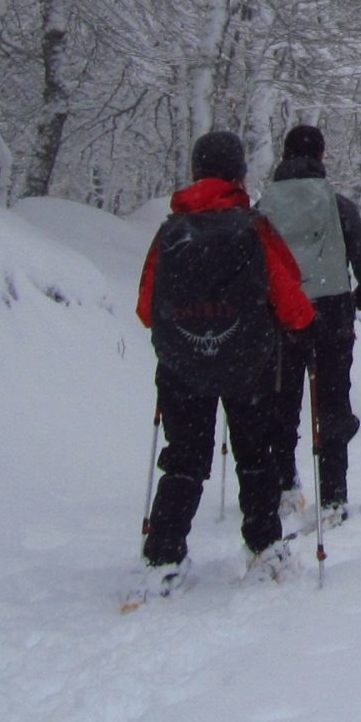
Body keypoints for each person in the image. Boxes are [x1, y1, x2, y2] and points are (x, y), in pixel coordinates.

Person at [133, 129, 315, 597]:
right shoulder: (253, 228)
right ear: (239, 173)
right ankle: (265, 551)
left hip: (182, 367)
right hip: (248, 364)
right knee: (256, 458)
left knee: (183, 460)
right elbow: (292, 301)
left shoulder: (170, 232)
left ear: (195, 171)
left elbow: (145, 307)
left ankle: (162, 557)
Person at [257, 123, 361, 528]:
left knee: (282, 404)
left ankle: (284, 486)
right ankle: (333, 496)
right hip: (331, 315)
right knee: (331, 405)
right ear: (321, 157)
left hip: (280, 316)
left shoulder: (264, 207)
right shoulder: (337, 205)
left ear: (284, 156)